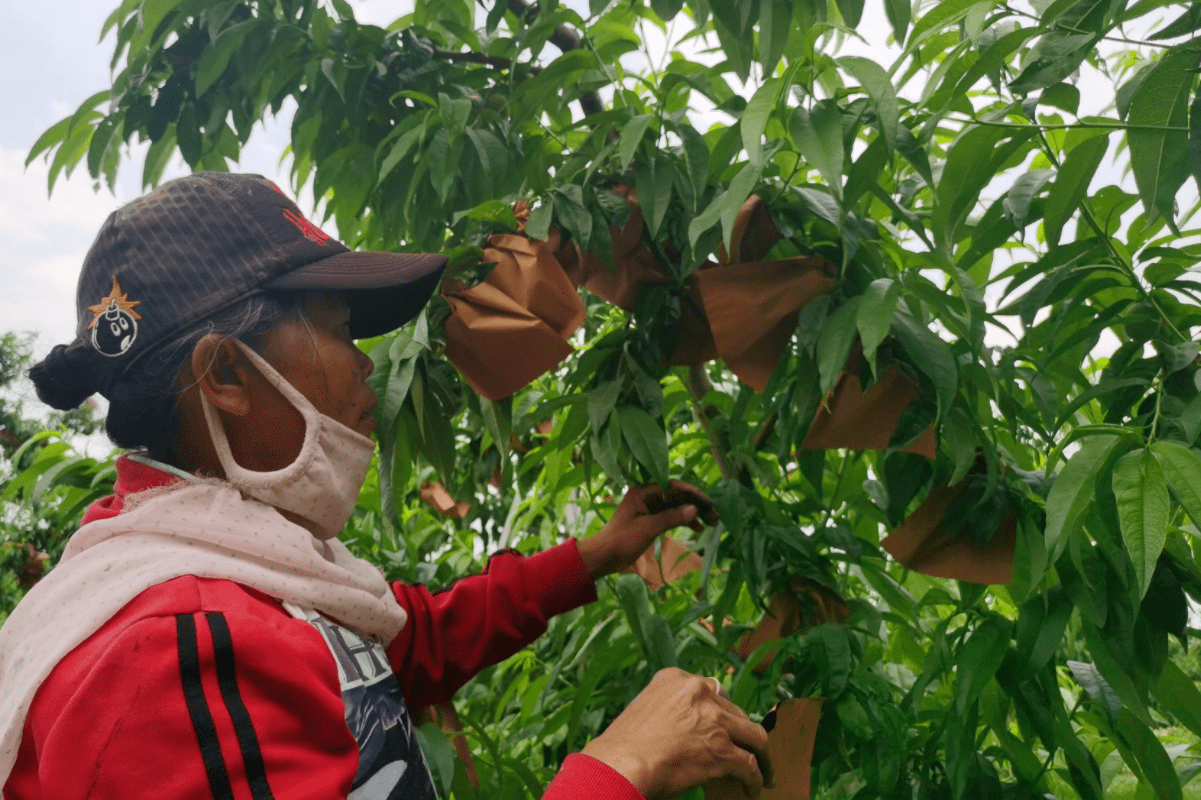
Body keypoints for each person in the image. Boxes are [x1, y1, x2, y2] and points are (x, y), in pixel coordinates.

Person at [0, 173, 770, 800]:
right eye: (339, 329)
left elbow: (397, 643)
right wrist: (618, 768)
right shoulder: (173, 655)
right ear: (228, 374)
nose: (366, 364)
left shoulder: (244, 570)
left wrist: (595, 554)